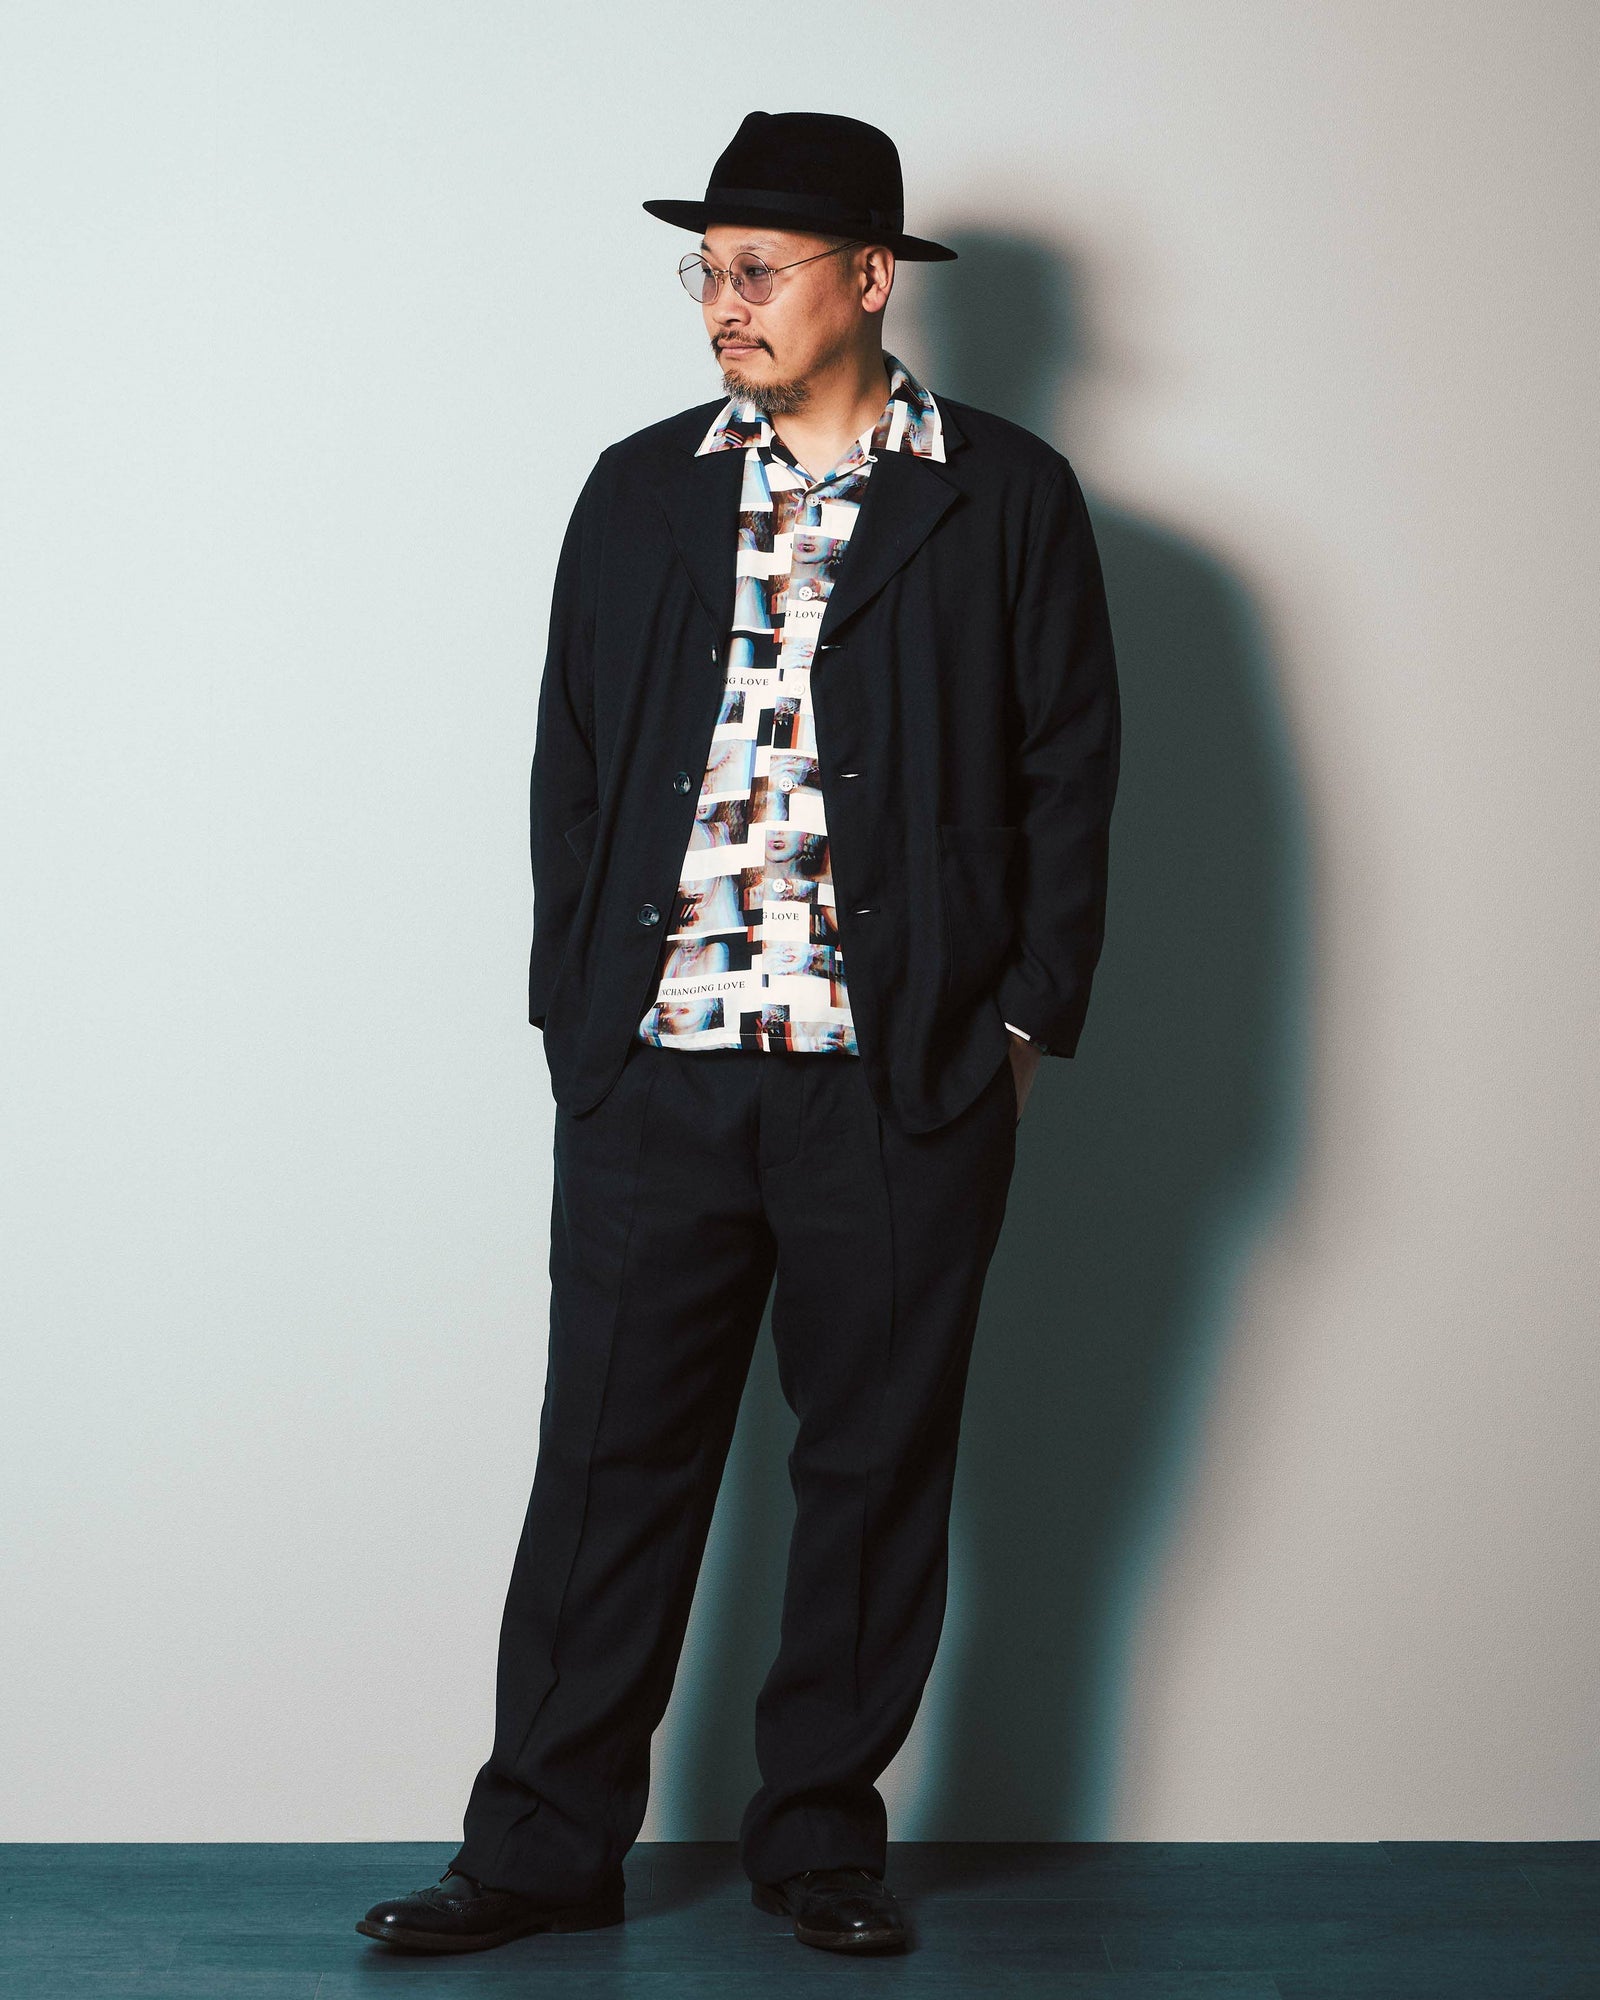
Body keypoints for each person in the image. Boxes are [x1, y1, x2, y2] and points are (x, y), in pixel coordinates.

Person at [357, 108, 1120, 1960]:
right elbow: (570, 763)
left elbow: (1070, 764)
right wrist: (577, 1016)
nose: (723, 302)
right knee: (606, 1464)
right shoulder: (639, 488)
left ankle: (819, 1846)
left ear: (869, 280)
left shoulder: (1005, 493)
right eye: (705, 271)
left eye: (759, 270)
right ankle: (539, 1848)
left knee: (872, 1466)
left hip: (898, 1074)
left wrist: (1020, 1020)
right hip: (659, 1067)